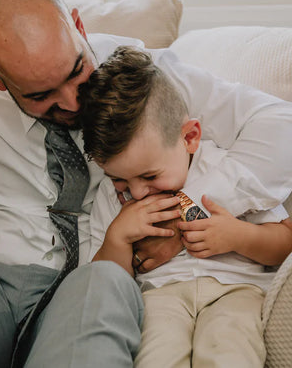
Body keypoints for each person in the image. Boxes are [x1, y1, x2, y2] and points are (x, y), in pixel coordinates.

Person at [0, 0, 292, 368]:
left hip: (92, 285)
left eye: (76, 73)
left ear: (79, 28)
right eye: (41, 95)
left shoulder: (143, 78)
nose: (72, 103)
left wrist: (185, 213)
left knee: (100, 282)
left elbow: (280, 124)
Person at [79, 46, 292, 367]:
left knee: (230, 353)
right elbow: (104, 286)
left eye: (150, 175)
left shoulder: (224, 168)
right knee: (156, 357)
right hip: (158, 298)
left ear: (190, 137)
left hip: (234, 291)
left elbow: (285, 243)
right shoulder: (111, 199)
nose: (136, 192)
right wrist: (117, 239)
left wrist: (238, 236)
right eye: (119, 179)